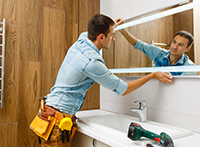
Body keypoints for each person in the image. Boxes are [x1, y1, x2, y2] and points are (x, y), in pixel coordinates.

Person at [33, 14, 173, 147]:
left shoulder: (82, 40)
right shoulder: (92, 62)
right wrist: (152, 75)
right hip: (57, 122)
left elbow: (92, 34)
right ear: (101, 37)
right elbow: (124, 90)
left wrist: (112, 27)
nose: (113, 39)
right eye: (111, 36)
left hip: (51, 111)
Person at [118, 22, 196, 76]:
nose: (175, 47)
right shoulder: (159, 53)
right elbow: (139, 45)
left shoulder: (189, 67)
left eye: (180, 45)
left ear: (187, 48)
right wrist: (123, 31)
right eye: (174, 42)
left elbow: (180, 87)